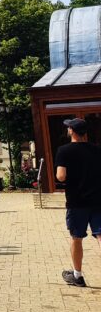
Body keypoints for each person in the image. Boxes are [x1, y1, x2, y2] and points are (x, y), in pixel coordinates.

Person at [55, 118, 101, 288]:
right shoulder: (97, 150)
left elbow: (60, 176)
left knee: (77, 237)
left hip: (77, 200)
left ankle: (77, 276)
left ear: (71, 131)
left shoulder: (64, 151)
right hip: (98, 199)